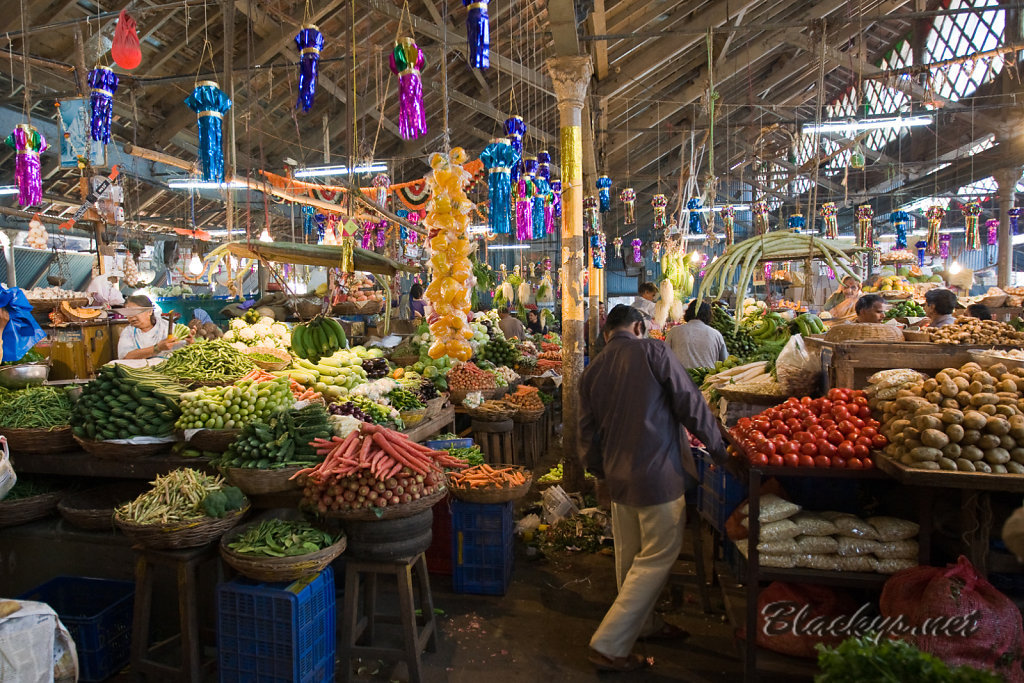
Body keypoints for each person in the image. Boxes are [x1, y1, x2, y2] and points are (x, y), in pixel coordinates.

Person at [579, 305, 728, 673]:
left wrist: (599, 474)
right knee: (657, 557)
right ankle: (609, 644)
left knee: (629, 560)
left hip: (618, 478)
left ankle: (644, 625)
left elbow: (585, 434)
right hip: (658, 476)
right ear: (639, 326)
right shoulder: (654, 351)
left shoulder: (591, 370)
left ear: (606, 331)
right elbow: (690, 403)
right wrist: (720, 450)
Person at [664, 300, 728, 369]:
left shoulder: (674, 331)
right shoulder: (716, 335)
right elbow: (725, 361)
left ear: (688, 312)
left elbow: (664, 355)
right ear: (708, 315)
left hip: (680, 377)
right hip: (708, 377)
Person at [116, 295, 181, 360]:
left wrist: (190, 341)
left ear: (149, 311)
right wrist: (157, 348)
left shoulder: (167, 327)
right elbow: (125, 356)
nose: (131, 316)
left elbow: (183, 346)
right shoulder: (129, 331)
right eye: (128, 313)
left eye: (135, 311)